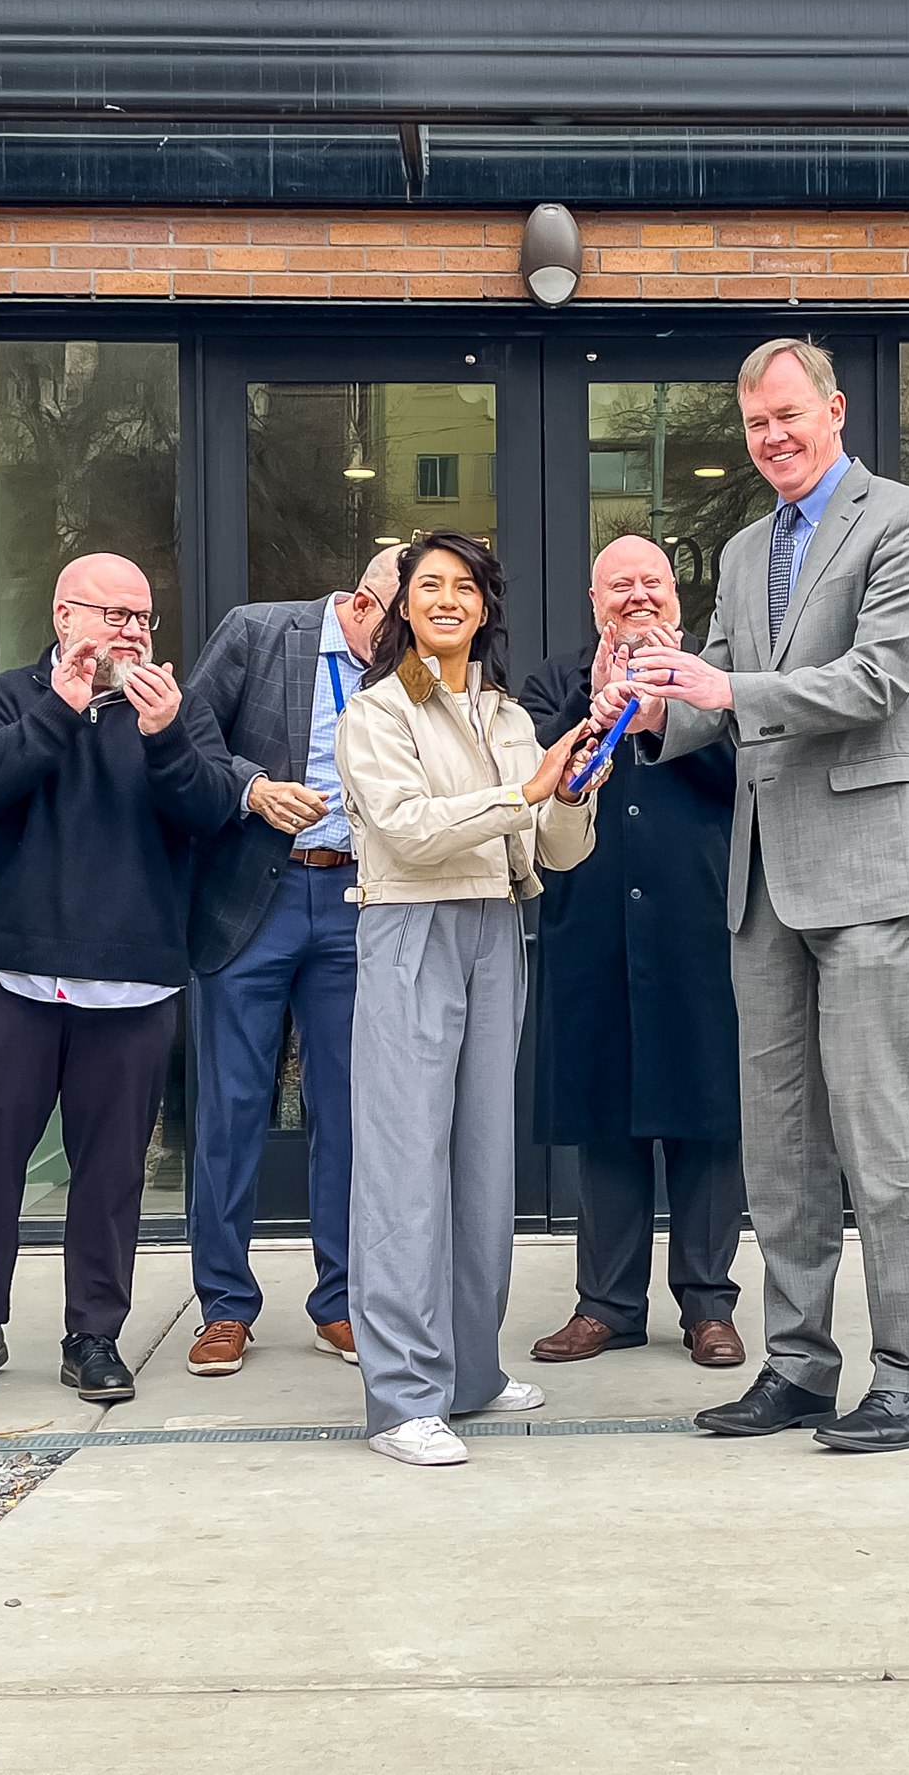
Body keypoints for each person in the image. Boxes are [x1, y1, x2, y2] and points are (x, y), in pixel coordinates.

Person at [604, 337, 909, 1455]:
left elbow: (878, 679)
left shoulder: (907, 522)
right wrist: (652, 708)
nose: (772, 438)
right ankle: (799, 1365)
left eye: (789, 416)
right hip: (762, 877)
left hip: (864, 869)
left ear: (835, 411)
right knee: (779, 1144)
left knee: (876, 1134)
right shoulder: (746, 545)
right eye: (756, 423)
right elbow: (714, 695)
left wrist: (722, 687)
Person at [0, 553, 234, 1407]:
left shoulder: (175, 710)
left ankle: (94, 1334)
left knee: (110, 1171)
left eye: (141, 617)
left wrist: (166, 737)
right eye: (113, 614)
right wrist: (57, 713)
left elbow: (211, 809)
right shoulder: (1, 696)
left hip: (132, 982)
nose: (131, 631)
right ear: (64, 616)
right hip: (14, 976)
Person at [333, 531, 604, 1466]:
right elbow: (408, 833)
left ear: (485, 606)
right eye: (429, 585)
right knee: (405, 1165)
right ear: (403, 606)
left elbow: (554, 849)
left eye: (464, 586)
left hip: (497, 926)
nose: (447, 599)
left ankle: (470, 1370)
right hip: (411, 926)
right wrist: (524, 790)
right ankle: (402, 1396)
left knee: (483, 1163)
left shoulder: (507, 714)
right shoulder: (378, 711)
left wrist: (570, 794)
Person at [521, 534, 746, 1372]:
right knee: (606, 1117)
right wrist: (597, 704)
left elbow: (747, 774)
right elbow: (542, 776)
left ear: (678, 597)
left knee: (708, 1115)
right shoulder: (554, 680)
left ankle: (709, 1305)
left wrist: (675, 711)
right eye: (620, 585)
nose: (638, 596)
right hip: (593, 921)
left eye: (653, 582)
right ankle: (607, 1306)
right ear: (595, 602)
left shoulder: (715, 678)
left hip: (701, 922)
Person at [178, 546, 403, 1380]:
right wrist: (252, 788)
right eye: (399, 627)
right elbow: (187, 738)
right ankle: (224, 1306)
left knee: (344, 1109)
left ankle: (339, 1300)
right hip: (254, 893)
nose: (407, 648)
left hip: (353, 898)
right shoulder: (258, 631)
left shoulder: (408, 669)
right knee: (233, 1106)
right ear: (364, 604)